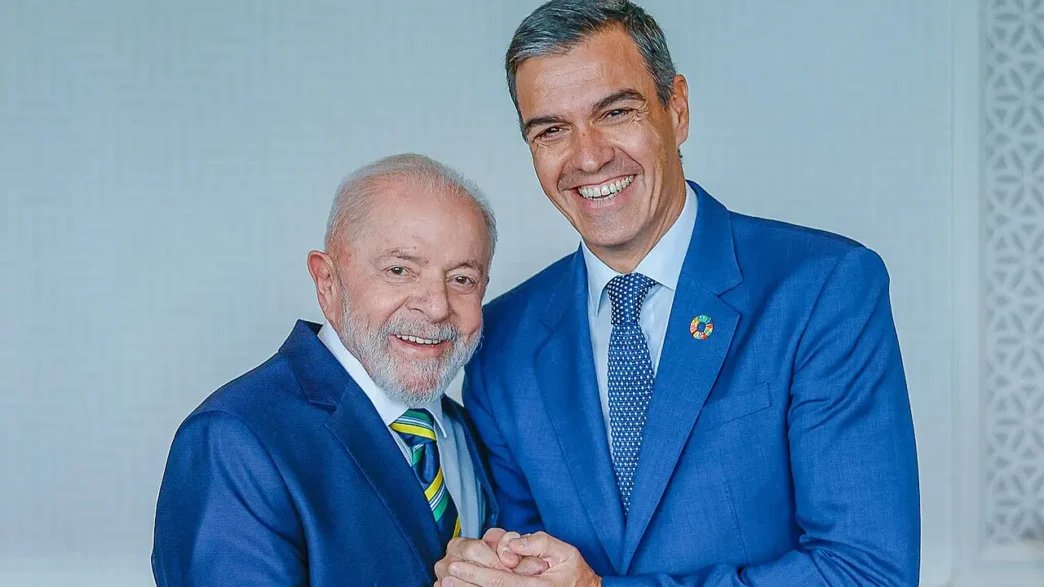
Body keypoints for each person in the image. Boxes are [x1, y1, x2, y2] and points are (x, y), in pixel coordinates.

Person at [436, 1, 920, 586]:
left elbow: (867, 573)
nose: (588, 156)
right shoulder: (501, 344)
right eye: (552, 130)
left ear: (677, 109)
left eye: (616, 112)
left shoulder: (823, 289)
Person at [151, 154, 502, 586]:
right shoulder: (233, 439)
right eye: (399, 270)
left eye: (462, 279)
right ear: (327, 282)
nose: (435, 306)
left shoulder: (467, 430)